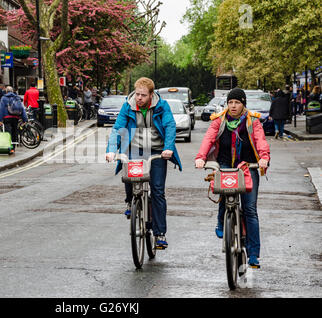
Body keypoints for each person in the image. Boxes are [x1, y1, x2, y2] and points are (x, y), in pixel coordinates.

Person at [195, 87, 270, 268]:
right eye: (230, 102)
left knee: (250, 209)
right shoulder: (219, 120)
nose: (233, 106)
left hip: (248, 165)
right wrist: (201, 157)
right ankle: (221, 222)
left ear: (243, 103)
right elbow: (209, 139)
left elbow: (260, 140)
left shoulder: (253, 121)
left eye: (237, 102)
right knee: (223, 193)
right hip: (226, 164)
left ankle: (253, 254)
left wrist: (264, 158)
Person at [105, 77, 182, 250]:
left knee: (157, 191)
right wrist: (111, 149)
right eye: (137, 94)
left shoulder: (162, 106)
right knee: (129, 174)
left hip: (157, 150)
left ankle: (160, 234)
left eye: (143, 95)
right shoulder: (128, 105)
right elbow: (118, 128)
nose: (139, 98)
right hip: (135, 148)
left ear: (151, 95)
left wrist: (168, 148)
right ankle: (130, 201)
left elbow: (170, 126)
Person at [0, 86, 28, 154]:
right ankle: (13, 149)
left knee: (8, 132)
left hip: (7, 117)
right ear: (12, 91)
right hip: (15, 117)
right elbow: (22, 108)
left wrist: (0, 119)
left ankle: (9, 147)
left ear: (6, 91)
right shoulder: (17, 97)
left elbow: (1, 109)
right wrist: (25, 119)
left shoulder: (4, 98)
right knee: (14, 132)